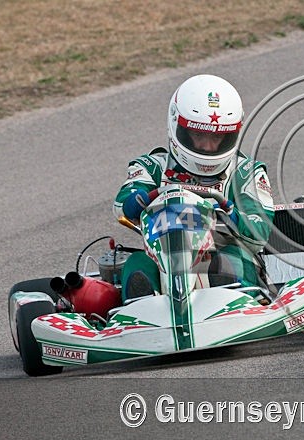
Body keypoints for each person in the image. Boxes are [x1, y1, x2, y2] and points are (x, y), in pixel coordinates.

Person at [112, 74, 274, 299]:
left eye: (217, 138)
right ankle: (140, 309)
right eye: (199, 135)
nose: (207, 147)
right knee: (137, 264)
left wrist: (230, 216)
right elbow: (122, 204)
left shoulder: (246, 172)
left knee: (227, 261)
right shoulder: (153, 166)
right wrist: (136, 200)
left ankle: (238, 299)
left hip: (223, 254)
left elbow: (260, 231)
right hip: (164, 261)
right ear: (178, 126)